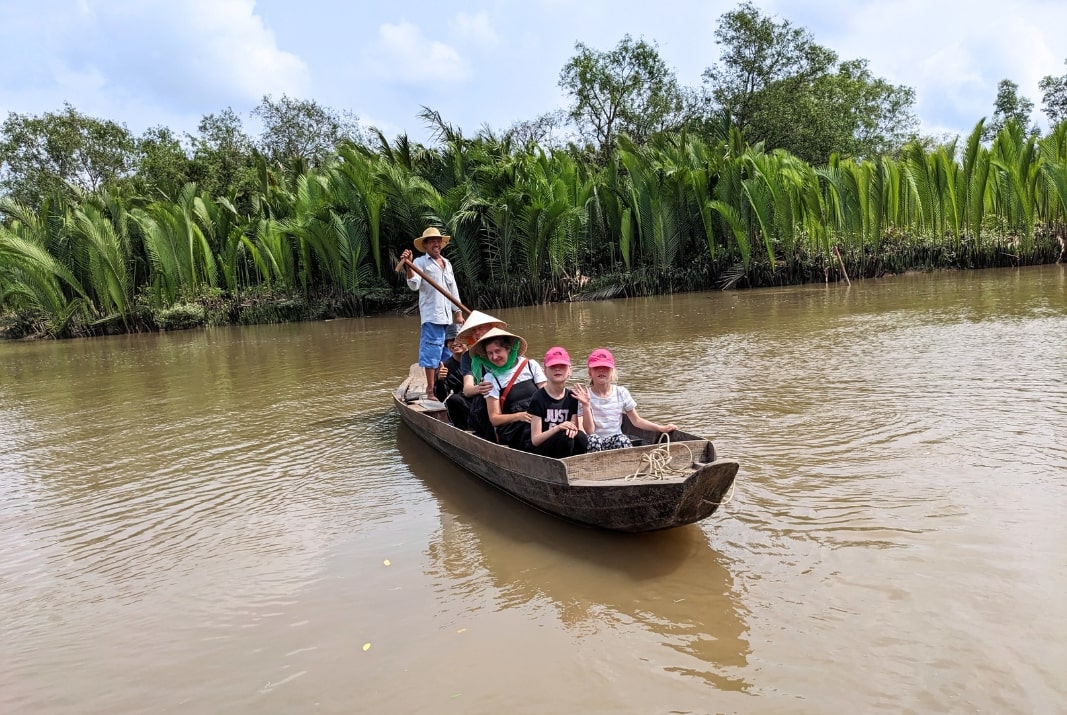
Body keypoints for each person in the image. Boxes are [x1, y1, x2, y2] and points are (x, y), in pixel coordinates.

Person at [400, 226, 463, 397]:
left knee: (449, 351)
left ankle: (443, 387)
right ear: (426, 245)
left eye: (438, 241)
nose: (436, 244)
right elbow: (414, 285)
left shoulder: (447, 263)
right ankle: (430, 390)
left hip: (448, 316)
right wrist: (409, 266)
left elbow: (453, 289)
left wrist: (458, 312)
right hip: (432, 315)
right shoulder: (420, 262)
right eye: (432, 241)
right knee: (432, 351)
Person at [584, 348, 677, 452]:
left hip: (615, 439)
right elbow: (588, 431)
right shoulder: (584, 395)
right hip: (595, 440)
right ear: (590, 373)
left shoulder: (621, 392)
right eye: (596, 368)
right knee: (593, 439)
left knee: (622, 439)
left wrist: (660, 428)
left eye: (605, 367)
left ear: (612, 371)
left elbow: (637, 421)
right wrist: (586, 405)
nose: (601, 370)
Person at [470, 327, 546, 448]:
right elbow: (494, 418)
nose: (494, 357)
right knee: (528, 430)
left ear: (508, 349)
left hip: (538, 418)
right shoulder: (490, 378)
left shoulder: (530, 365)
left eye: (498, 351)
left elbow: (546, 395)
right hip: (513, 427)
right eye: (490, 353)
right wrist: (519, 416)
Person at [444, 310, 508, 430]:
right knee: (456, 400)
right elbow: (467, 389)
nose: (477, 333)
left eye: (481, 328)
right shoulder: (468, 356)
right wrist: (482, 388)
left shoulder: (505, 348)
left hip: (507, 393)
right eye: (474, 330)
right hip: (486, 398)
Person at [527, 347, 591, 458]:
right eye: (552, 366)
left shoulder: (572, 397)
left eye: (562, 366)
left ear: (570, 370)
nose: (557, 369)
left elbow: (574, 428)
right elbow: (535, 440)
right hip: (544, 449)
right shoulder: (538, 398)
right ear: (544, 371)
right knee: (564, 435)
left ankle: (576, 467)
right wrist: (557, 428)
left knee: (581, 437)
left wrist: (586, 405)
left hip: (565, 444)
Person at [433, 323, 465, 404]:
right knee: (452, 400)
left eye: (458, 339)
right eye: (450, 341)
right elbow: (441, 398)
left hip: (481, 399)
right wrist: (440, 380)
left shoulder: (478, 359)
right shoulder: (445, 367)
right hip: (463, 402)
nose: (454, 343)